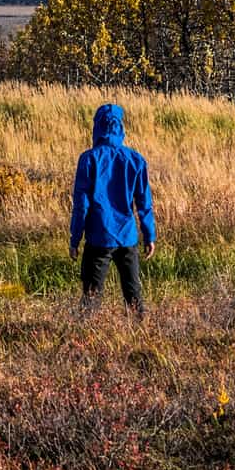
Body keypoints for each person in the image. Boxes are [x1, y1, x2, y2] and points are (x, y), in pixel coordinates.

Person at [69, 103, 155, 317]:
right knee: (133, 294)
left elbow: (81, 205)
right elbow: (144, 202)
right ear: (121, 127)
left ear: (97, 126)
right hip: (127, 236)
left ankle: (84, 340)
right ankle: (141, 338)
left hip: (98, 238)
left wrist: (75, 238)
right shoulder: (135, 159)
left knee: (91, 297)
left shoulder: (88, 159)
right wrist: (149, 235)